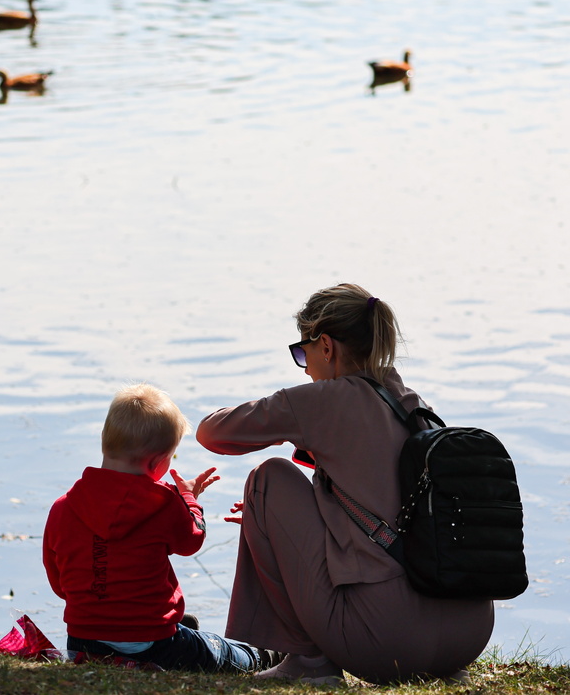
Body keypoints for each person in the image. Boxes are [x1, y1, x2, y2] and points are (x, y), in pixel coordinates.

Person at [196, 283, 493, 685]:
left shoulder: (324, 399)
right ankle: (439, 663)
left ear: (326, 347)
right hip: (468, 634)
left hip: (387, 641)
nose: (304, 368)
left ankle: (310, 664)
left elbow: (212, 433)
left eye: (303, 353)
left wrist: (290, 417)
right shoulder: (409, 402)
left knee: (268, 480)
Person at [42, 383, 273, 673]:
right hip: (152, 643)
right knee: (220, 651)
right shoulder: (162, 504)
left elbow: (59, 583)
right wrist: (188, 499)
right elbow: (192, 540)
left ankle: (167, 629)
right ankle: (269, 656)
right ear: (157, 463)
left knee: (181, 632)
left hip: (83, 642)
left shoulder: (63, 507)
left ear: (104, 439)